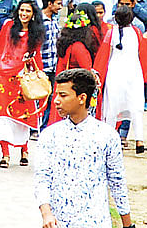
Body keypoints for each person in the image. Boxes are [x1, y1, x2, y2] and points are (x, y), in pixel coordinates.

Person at [34, 68, 134, 228]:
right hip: (59, 222)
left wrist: (127, 224)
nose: (56, 100)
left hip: (96, 221)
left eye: (63, 95)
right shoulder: (50, 135)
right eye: (56, 94)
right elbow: (42, 178)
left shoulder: (107, 135)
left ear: (82, 98)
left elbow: (117, 182)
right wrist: (46, 213)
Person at [0, 0, 44, 167]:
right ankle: (5, 154)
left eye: (28, 11)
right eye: (22, 10)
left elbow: (36, 57)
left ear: (33, 14)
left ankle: (24, 150)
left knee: (21, 116)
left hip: (23, 79)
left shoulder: (36, 33)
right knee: (3, 116)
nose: (24, 14)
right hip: (3, 78)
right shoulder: (8, 27)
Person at [93, 0, 147, 153]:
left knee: (111, 107)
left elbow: (103, 56)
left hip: (115, 73)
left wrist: (97, 73)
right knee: (136, 107)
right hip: (134, 73)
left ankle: (108, 140)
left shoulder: (111, 33)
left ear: (115, 18)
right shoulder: (136, 32)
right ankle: (139, 140)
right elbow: (145, 54)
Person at [39, 0, 62, 126]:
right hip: (42, 67)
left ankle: (44, 126)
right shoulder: (39, 22)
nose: (60, 7)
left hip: (53, 67)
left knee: (50, 98)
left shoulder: (54, 21)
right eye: (58, 4)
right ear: (49, 4)